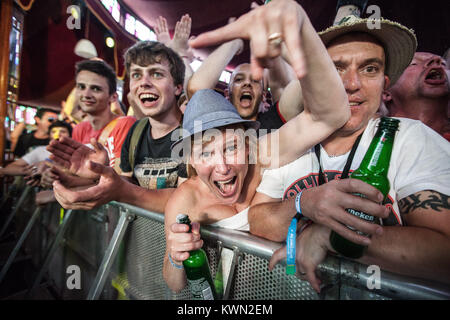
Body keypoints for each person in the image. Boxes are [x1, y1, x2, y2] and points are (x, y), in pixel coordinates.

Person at [244, 14, 450, 292]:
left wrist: (331, 237)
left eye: (369, 69)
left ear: (385, 84)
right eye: (336, 68)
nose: (352, 84)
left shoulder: (409, 138)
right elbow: (258, 219)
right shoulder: (296, 142)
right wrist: (301, 204)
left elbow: (443, 253)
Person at [163, 0, 352, 293]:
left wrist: (299, 26)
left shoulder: (262, 154)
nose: (223, 167)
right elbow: (174, 285)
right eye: (205, 153)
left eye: (231, 148)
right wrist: (176, 257)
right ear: (189, 158)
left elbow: (331, 115)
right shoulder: (186, 199)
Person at [47, 40, 189, 212]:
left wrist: (121, 191)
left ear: (178, 87)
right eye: (136, 75)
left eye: (156, 74)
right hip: (135, 237)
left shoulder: (193, 133)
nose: (144, 83)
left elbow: (190, 199)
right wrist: (99, 176)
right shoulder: (137, 131)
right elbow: (127, 181)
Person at [186, 9, 298, 133]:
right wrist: (234, 41)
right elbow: (197, 90)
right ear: (228, 94)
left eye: (255, 81)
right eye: (239, 79)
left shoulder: (273, 122)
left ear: (263, 96)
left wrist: (272, 37)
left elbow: (286, 85)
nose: (247, 83)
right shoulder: (217, 125)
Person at [70, 59, 136, 172]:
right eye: (81, 87)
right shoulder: (79, 129)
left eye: (96, 89)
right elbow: (76, 171)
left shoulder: (125, 124)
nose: (86, 94)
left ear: (113, 97)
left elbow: (121, 177)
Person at [384, 52, 450, 141]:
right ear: (385, 93)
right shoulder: (370, 139)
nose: (436, 60)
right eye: (413, 63)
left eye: (443, 64)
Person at [0, 120, 72, 179]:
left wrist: (48, 165)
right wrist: (32, 170)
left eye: (63, 132)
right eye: (53, 132)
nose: (58, 134)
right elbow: (10, 167)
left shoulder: (74, 152)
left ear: (70, 135)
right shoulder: (40, 150)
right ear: (49, 135)